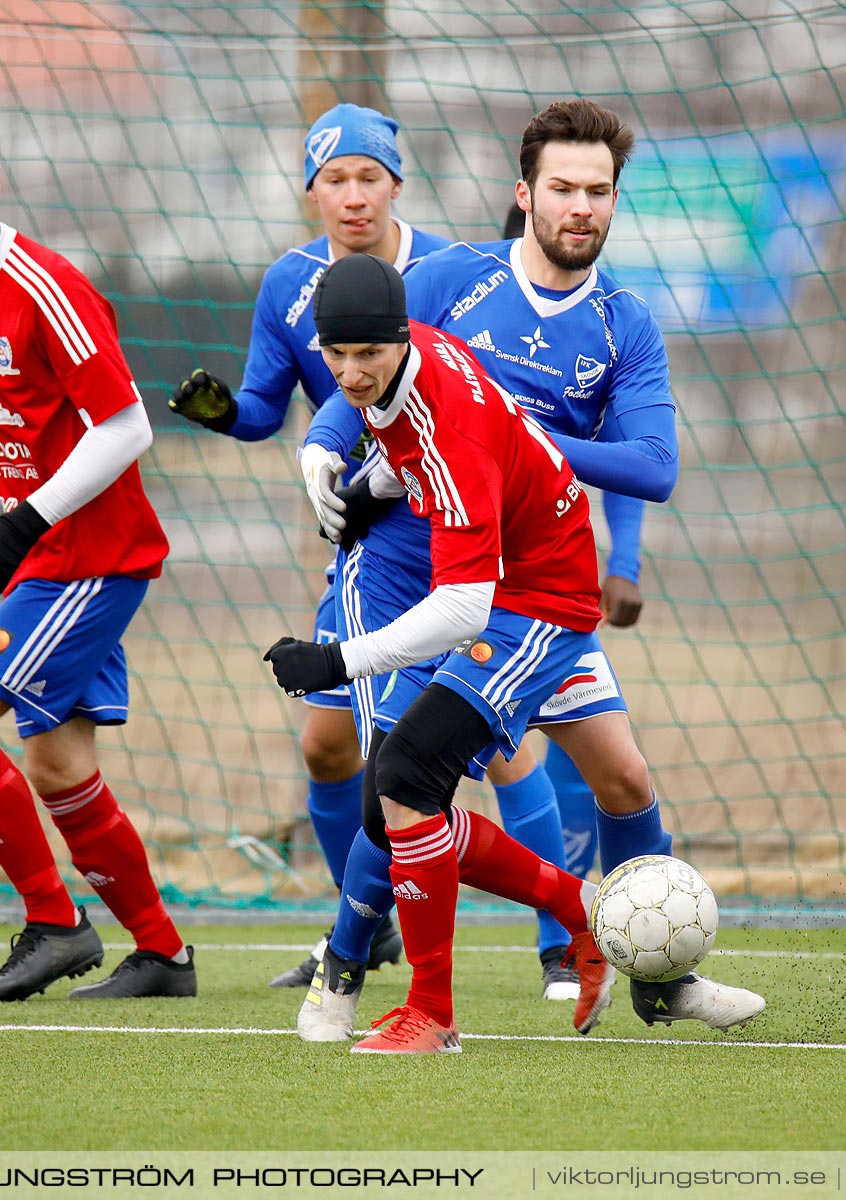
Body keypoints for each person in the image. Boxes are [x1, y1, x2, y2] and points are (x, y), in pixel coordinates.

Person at [304, 100, 763, 1032]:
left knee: (625, 780)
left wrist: (523, 438)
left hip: (534, 589)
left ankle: (658, 978)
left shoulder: (625, 324)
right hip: (413, 569)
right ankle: (344, 970)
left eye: (599, 191)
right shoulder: (452, 278)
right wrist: (321, 445)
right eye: (563, 188)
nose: (581, 207)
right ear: (526, 194)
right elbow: (365, 360)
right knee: (391, 785)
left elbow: (653, 466)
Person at [168, 104, 564, 992]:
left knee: (494, 745)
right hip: (371, 542)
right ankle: (364, 923)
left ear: (396, 183)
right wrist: (226, 415)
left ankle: (556, 944)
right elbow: (274, 411)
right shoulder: (287, 284)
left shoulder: (451, 270)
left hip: (462, 524)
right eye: (334, 179)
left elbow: (477, 396)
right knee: (327, 745)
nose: (352, 195)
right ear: (310, 190)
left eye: (368, 177)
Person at [262, 252, 613, 1052]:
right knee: (403, 789)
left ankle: (434, 1014)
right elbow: (403, 448)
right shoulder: (409, 358)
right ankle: (581, 912)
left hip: (542, 603)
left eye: (366, 356)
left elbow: (463, 606)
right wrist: (366, 488)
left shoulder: (448, 426)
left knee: (406, 778)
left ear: (397, 340)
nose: (350, 375)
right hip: (517, 587)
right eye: (335, 355)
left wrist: (337, 661)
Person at [0, 107, 194, 1002]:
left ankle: (56, 924)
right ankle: (164, 956)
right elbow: (5, 427)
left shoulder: (43, 282)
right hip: (52, 555)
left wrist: (22, 526)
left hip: (92, 556)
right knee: (60, 767)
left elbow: (128, 425)